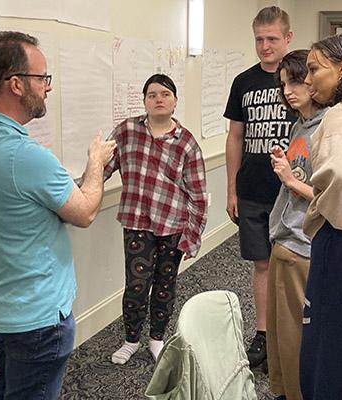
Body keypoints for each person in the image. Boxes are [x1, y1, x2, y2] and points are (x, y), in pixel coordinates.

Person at [0, 31, 116, 400]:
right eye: (42, 78)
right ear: (16, 84)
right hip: (37, 322)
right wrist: (96, 164)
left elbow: (24, 204)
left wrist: (79, 183)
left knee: (8, 386)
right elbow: (86, 212)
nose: (47, 87)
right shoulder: (25, 156)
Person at [104, 74, 207, 365]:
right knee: (136, 284)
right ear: (144, 101)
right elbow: (104, 167)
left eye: (164, 94)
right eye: (152, 95)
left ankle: (156, 338)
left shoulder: (186, 142)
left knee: (165, 283)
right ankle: (131, 339)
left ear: (175, 100)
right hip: (137, 222)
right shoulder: (126, 131)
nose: (158, 99)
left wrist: (192, 235)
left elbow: (198, 195)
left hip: (172, 225)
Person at [223, 6, 296, 369]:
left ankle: (292, 332)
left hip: (293, 192)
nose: (265, 46)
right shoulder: (244, 82)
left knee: (295, 264)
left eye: (272, 38)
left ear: (288, 38)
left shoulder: (302, 80)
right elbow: (235, 137)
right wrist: (231, 190)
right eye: (259, 39)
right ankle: (264, 333)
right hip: (252, 189)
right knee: (263, 265)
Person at [300, 34, 342, 400]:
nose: (307, 80)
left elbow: (339, 173)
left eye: (313, 69)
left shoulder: (339, 115)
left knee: (329, 350)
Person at [266, 50, 327, 400]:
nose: (288, 90)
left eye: (296, 80)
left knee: (295, 336)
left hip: (304, 243)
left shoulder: (330, 126)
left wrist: (290, 180)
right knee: (277, 333)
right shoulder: (299, 125)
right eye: (283, 83)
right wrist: (284, 165)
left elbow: (329, 194)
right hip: (284, 236)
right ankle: (282, 391)